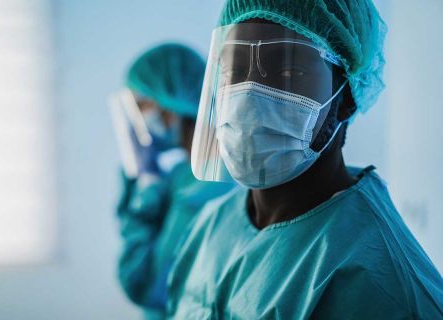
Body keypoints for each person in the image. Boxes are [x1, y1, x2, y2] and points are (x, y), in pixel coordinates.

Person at [167, 1, 443, 319]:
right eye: (232, 72)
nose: (247, 99)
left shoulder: (385, 291)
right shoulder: (213, 226)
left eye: (288, 71)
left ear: (346, 99)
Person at [114, 43, 234, 319]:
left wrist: (149, 182)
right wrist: (144, 180)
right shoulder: (182, 174)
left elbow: (145, 287)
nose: (137, 121)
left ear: (172, 103)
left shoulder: (211, 181)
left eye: (142, 105)